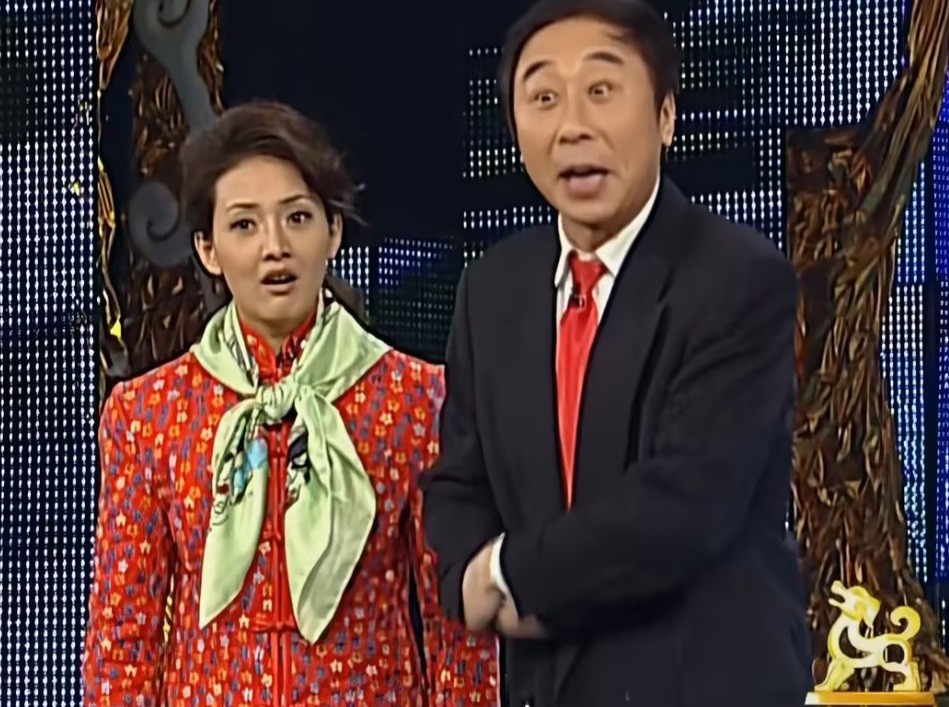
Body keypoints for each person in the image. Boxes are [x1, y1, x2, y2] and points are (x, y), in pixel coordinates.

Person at [422, 0, 812, 705]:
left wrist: (510, 574)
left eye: (601, 90)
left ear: (665, 115)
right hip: (547, 684)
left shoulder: (737, 278)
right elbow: (458, 480)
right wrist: (465, 580)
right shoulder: (492, 286)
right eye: (543, 98)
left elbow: (681, 507)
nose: (572, 125)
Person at [83, 101, 498, 706]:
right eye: (244, 225)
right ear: (208, 249)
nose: (274, 247)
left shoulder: (415, 400)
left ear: (333, 232)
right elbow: (124, 633)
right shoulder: (149, 414)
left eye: (297, 217)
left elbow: (456, 625)